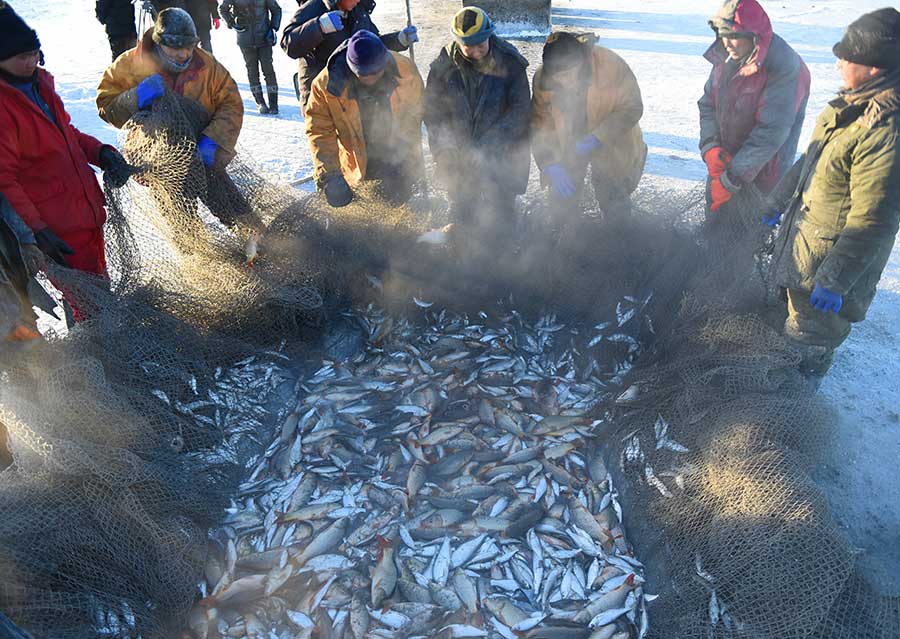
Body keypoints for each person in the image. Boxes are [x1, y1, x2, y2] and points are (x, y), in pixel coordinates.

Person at [768, 8, 900, 381]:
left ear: (874, 67)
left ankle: (796, 400)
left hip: (828, 268)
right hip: (806, 249)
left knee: (809, 341)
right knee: (794, 325)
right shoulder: (846, 107)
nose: (839, 61)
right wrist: (775, 203)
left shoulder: (885, 131)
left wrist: (835, 279)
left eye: (848, 56)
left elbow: (874, 221)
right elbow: (809, 161)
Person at [0, 2, 134, 281]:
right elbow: (4, 179)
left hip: (84, 212)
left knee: (98, 290)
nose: (29, 62)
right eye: (20, 57)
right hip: (56, 228)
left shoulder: (41, 85)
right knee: (90, 306)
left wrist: (101, 152)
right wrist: (36, 231)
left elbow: (67, 133)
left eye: (32, 53)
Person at [96, 8, 251, 230]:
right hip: (161, 161)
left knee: (238, 215)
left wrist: (213, 140)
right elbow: (106, 105)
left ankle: (258, 249)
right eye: (176, 48)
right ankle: (198, 258)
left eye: (189, 46)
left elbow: (231, 104)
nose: (184, 54)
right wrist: (135, 97)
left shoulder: (208, 65)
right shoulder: (129, 64)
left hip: (203, 152)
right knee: (184, 228)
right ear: (159, 43)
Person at [699, 0, 811, 214]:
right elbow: (707, 104)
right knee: (713, 231)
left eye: (733, 36)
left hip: (763, 178)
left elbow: (771, 132)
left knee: (744, 242)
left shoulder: (784, 66)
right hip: (724, 168)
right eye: (722, 35)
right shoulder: (725, 58)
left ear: (754, 36)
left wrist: (732, 178)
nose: (726, 43)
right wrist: (710, 147)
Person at [424, 6, 530, 230]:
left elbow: (520, 111)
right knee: (462, 212)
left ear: (489, 36)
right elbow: (434, 112)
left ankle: (506, 251)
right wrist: (445, 149)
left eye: (480, 45)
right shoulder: (443, 66)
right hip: (459, 154)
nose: (476, 51)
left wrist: (487, 145)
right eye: (468, 46)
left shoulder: (510, 63)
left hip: (502, 153)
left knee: (502, 214)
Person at [531, 32, 647, 222]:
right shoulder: (542, 79)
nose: (564, 82)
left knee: (614, 201)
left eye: (568, 74)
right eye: (558, 77)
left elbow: (633, 107)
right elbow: (540, 124)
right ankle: (566, 240)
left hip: (612, 142)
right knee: (561, 205)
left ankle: (618, 236)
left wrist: (598, 137)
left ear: (580, 62)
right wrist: (549, 162)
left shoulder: (610, 65)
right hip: (569, 142)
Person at [306, 29, 424, 207]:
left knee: (400, 211)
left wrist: (409, 158)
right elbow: (319, 130)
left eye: (377, 73)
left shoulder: (405, 69)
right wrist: (330, 174)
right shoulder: (325, 85)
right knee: (365, 213)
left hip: (397, 157)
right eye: (364, 75)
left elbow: (416, 111)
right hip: (358, 160)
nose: (371, 79)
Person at [281, 0, 418, 107]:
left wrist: (399, 39)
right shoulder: (315, 6)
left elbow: (371, 46)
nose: (358, 0)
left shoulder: (358, 12)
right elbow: (288, 44)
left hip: (352, 92)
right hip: (322, 92)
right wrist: (319, 26)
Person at [220, 0, 283, 114]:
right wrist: (231, 23)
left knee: (268, 69)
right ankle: (260, 102)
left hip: (264, 37)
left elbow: (276, 10)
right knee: (252, 70)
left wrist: (273, 28)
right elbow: (222, 9)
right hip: (245, 39)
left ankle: (273, 104)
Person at [150, 0, 220, 52]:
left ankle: (209, 69)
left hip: (201, 20)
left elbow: (212, 1)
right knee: (189, 49)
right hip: (186, 22)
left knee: (206, 47)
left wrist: (215, 16)